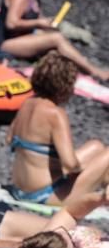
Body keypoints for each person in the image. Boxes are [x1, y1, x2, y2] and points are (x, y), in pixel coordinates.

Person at [6, 51, 109, 204]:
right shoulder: (56, 114)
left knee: (96, 146)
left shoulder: (27, 103)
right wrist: (85, 170)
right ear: (65, 85)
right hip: (44, 194)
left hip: (19, 188)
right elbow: (70, 163)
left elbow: (9, 139)